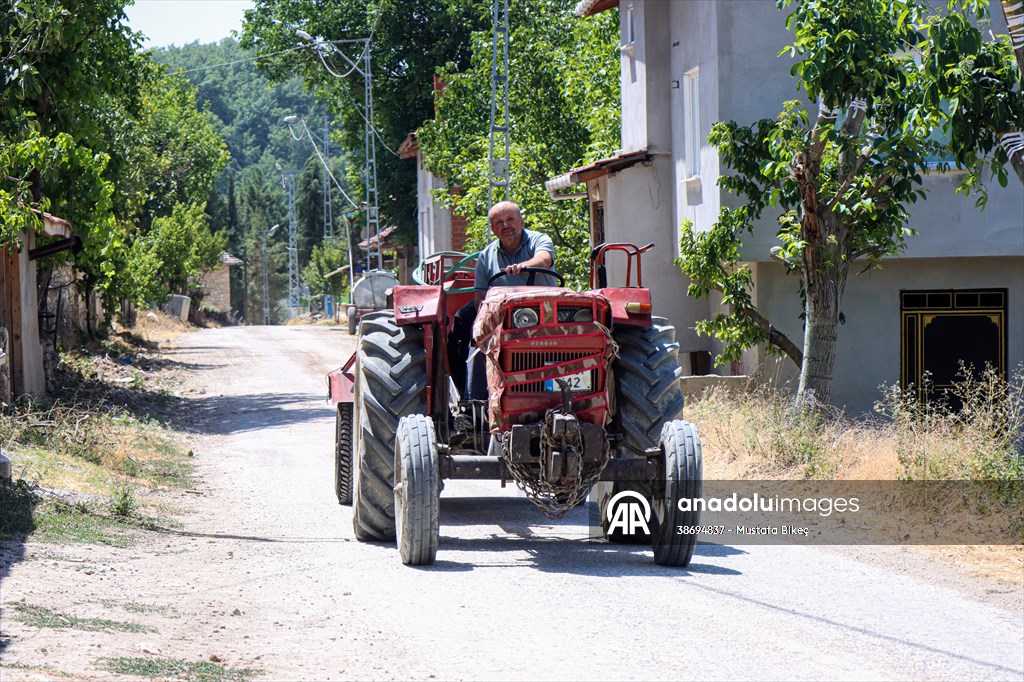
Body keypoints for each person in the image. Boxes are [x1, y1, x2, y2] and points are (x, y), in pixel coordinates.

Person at [448, 201, 558, 395]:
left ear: (521, 221)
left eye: (510, 220)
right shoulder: (486, 255)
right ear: (492, 228)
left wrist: (525, 266)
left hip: (542, 311)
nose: (505, 225)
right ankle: (471, 397)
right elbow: (480, 297)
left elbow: (544, 258)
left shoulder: (539, 240)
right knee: (463, 321)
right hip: (502, 316)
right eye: (498, 222)